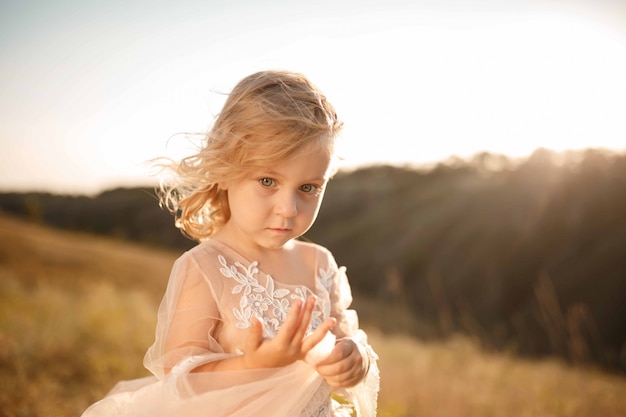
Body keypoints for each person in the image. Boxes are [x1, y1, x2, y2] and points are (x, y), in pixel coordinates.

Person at [81, 70, 379, 417]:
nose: (288, 208)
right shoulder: (205, 267)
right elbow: (182, 381)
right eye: (268, 180)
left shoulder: (319, 263)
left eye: (308, 187)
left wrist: (352, 361)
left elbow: (345, 342)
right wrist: (254, 364)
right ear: (225, 171)